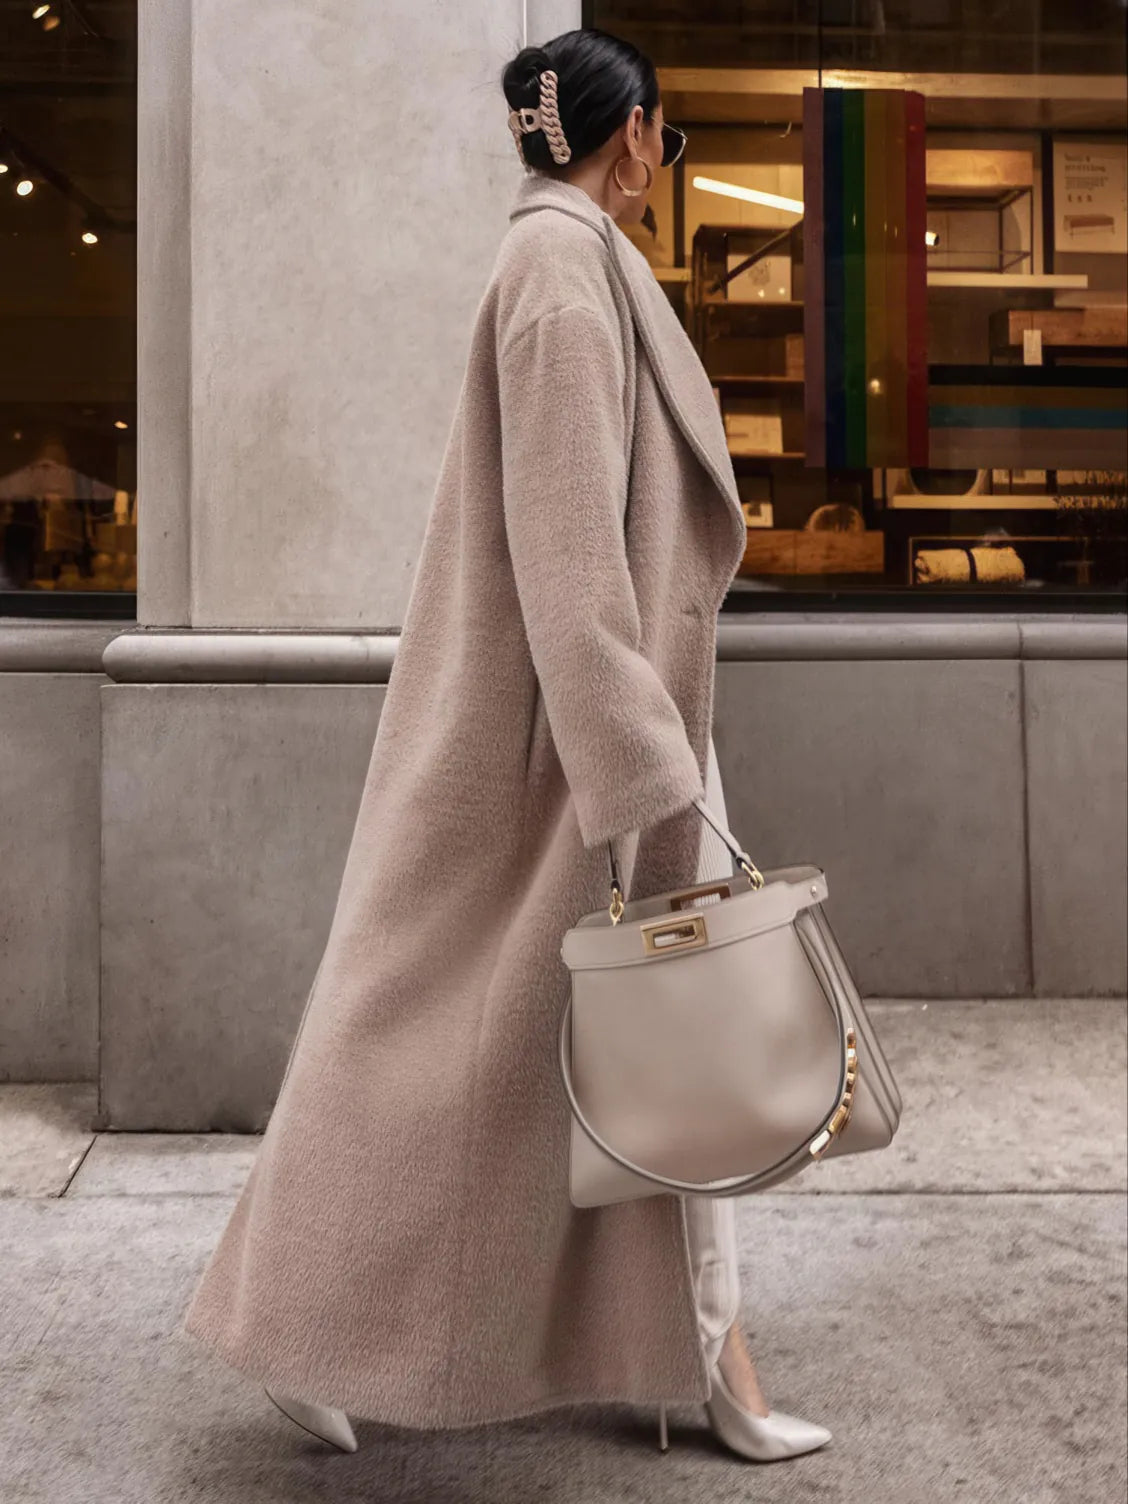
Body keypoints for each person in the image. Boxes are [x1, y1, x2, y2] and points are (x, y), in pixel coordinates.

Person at [182, 26, 831, 1466]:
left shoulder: (572, 261)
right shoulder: (559, 276)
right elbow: (567, 557)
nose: (664, 158)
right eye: (665, 134)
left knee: (608, 1049)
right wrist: (641, 769)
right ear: (633, 134)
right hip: (586, 738)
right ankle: (696, 1365)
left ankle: (704, 1358)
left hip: (605, 724)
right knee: (540, 1047)